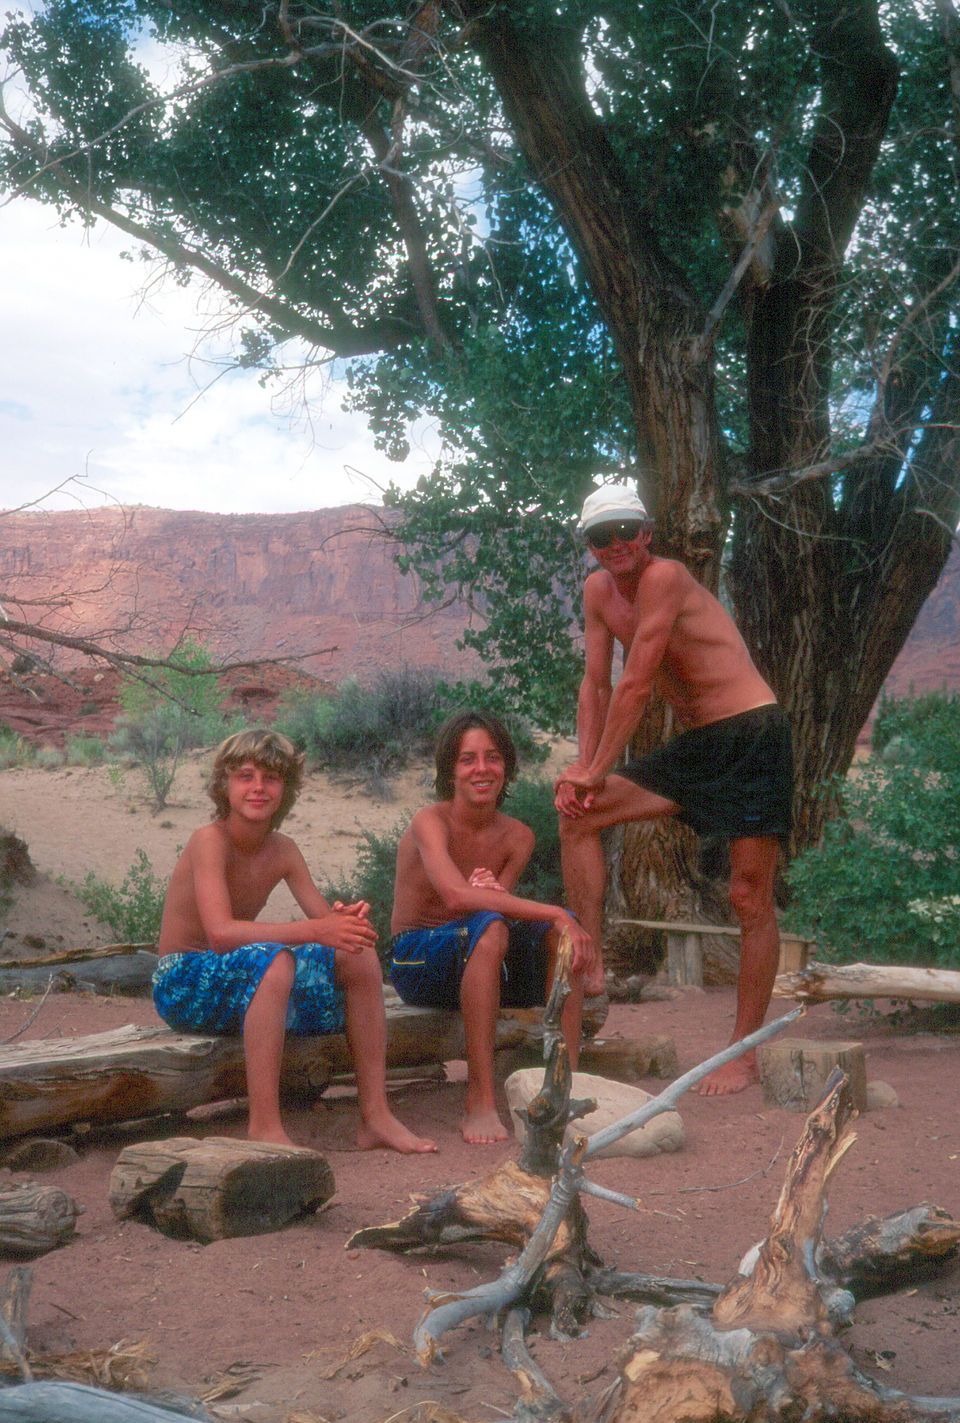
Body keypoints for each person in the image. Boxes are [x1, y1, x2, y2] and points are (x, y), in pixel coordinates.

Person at [554, 484, 793, 1096]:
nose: (616, 545)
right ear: (589, 545)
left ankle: (743, 1054)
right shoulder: (597, 592)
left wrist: (596, 770)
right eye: (600, 537)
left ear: (648, 531)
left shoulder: (668, 578)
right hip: (699, 743)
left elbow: (635, 684)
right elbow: (596, 686)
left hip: (751, 733)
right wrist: (586, 772)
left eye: (626, 530)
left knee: (748, 897)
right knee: (579, 818)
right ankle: (595, 955)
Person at [152, 728, 437, 1154]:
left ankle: (375, 1116)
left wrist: (347, 923)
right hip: (183, 983)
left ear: (285, 789)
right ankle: (264, 1127)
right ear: (224, 785)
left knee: (355, 956)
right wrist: (316, 931)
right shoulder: (209, 841)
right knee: (276, 960)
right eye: (245, 776)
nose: (258, 788)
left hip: (245, 983)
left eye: (271, 778)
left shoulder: (283, 849)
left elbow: (326, 925)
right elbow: (221, 933)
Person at [389, 709, 595, 1144]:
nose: (482, 769)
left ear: (507, 767)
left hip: (480, 952)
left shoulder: (518, 836)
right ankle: (479, 1101)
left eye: (493, 757)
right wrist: (553, 910)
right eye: (468, 759)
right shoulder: (431, 821)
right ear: (450, 771)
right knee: (519, 924)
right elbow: (457, 898)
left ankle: (569, 1085)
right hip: (417, 959)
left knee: (560, 936)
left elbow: (493, 909)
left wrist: (512, 903)